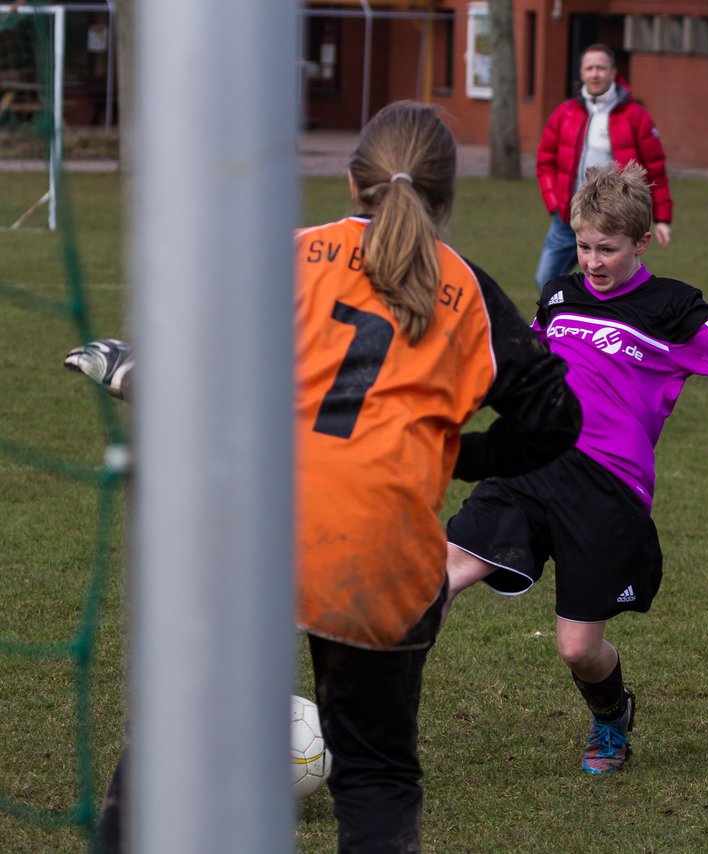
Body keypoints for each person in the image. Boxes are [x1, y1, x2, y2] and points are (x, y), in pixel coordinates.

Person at [65, 101, 582, 854]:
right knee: (374, 775)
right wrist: (456, 454)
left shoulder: (293, 252)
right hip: (382, 545)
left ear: (350, 181)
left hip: (261, 526)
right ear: (446, 197)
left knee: (176, 739)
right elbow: (556, 420)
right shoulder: (469, 294)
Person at [443, 162, 708, 775]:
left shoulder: (671, 307)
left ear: (640, 242)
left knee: (577, 648)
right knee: (443, 572)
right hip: (533, 461)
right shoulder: (560, 296)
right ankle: (374, 711)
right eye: (584, 246)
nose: (592, 261)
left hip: (608, 488)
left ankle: (610, 715)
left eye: (607, 249)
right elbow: (528, 366)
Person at [533, 43, 673, 292]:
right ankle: (560, 323)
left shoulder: (635, 116)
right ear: (581, 72)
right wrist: (554, 202)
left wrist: (662, 218)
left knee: (617, 282)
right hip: (569, 216)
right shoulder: (564, 114)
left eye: (601, 68)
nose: (595, 74)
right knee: (546, 278)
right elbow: (545, 161)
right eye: (589, 68)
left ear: (613, 71)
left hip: (617, 218)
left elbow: (655, 169)